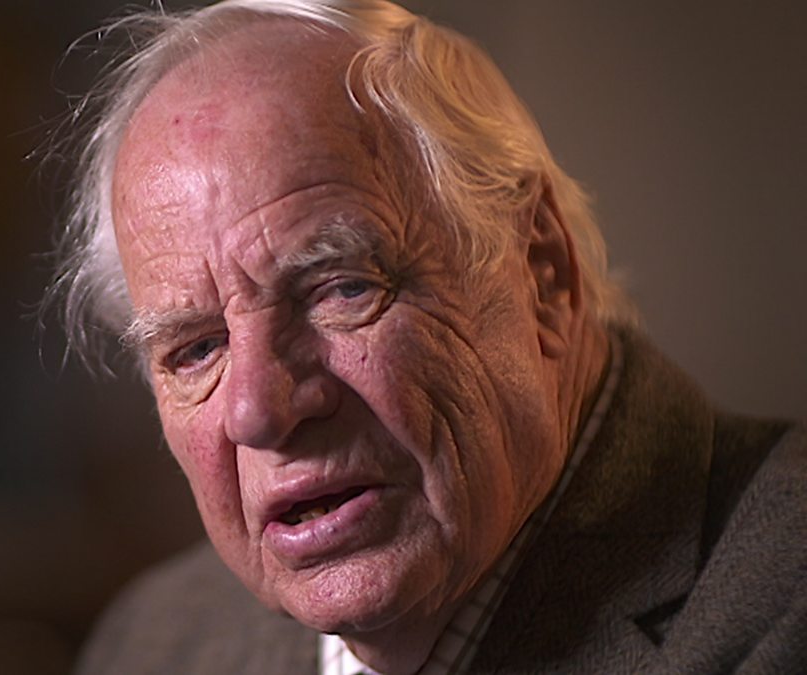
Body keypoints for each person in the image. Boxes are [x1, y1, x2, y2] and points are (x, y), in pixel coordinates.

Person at [45, 1, 807, 673]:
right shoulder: (152, 642)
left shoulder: (783, 604)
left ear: (540, 270)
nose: (258, 411)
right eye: (195, 349)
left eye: (339, 288)